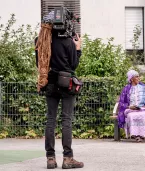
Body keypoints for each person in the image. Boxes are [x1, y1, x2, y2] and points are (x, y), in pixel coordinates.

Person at [35, 10, 84, 169]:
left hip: (49, 83)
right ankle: (68, 158)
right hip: (67, 84)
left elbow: (40, 64)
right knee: (66, 120)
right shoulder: (69, 42)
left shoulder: (42, 41)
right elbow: (73, 65)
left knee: (50, 120)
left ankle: (50, 158)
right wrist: (78, 48)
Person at [118, 70, 145, 142]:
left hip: (142, 108)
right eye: (137, 77)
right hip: (130, 109)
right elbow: (121, 102)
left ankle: (141, 135)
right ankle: (135, 135)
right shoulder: (126, 89)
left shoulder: (144, 87)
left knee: (144, 115)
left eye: (139, 76)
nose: (139, 78)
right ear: (131, 79)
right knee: (131, 116)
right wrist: (129, 107)